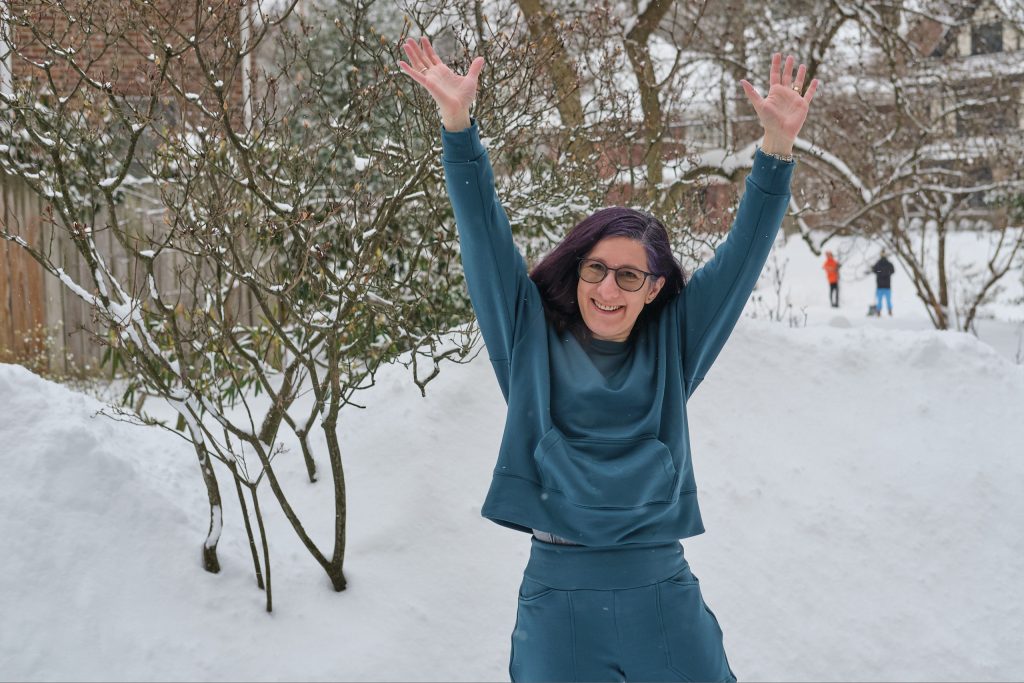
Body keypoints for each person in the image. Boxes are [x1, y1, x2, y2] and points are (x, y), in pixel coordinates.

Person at [400, 37, 819, 682]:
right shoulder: (528, 339)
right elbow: (483, 235)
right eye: (596, 269)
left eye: (629, 276)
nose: (607, 289)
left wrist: (776, 150)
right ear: (577, 270)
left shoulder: (673, 344)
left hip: (661, 593)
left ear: (654, 288)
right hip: (559, 602)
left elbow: (741, 260)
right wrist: (458, 127)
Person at [872, 251, 895, 316]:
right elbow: (875, 270)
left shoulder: (887, 264)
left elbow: (892, 271)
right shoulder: (879, 263)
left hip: (885, 286)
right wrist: (882, 272)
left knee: (887, 300)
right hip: (881, 286)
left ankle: (888, 311)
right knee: (880, 300)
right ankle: (880, 311)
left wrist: (882, 272)